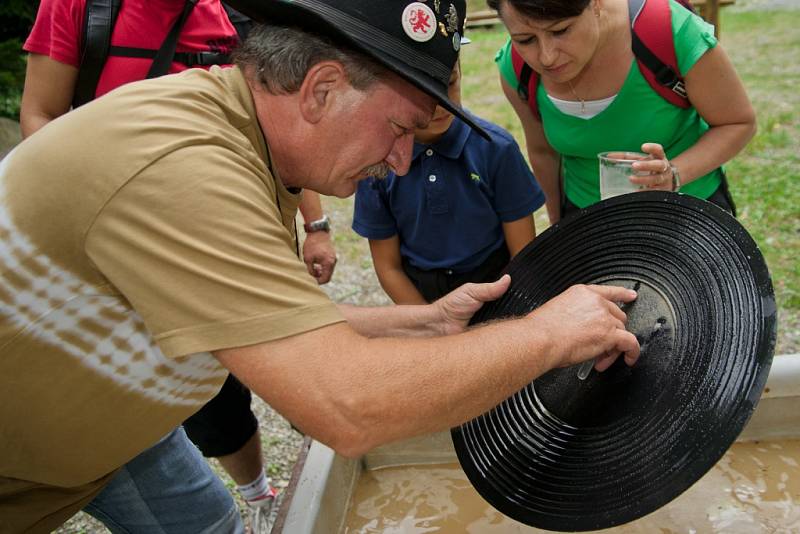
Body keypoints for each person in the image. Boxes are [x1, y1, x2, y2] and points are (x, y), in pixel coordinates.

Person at [0, 1, 641, 532]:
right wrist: (548, 333)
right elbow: (349, 409)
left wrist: (421, 323)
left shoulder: (241, 138)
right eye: (398, 128)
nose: (399, 161)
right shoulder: (182, 167)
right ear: (322, 89)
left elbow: (255, 316)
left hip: (111, 430)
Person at [18, 0, 334, 527]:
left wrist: (316, 227)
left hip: (216, 241)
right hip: (112, 251)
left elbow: (277, 134)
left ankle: (258, 494)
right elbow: (40, 114)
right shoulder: (77, 7)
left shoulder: (234, 16)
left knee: (220, 393)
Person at [489, 0, 756, 223]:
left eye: (561, 31)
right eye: (525, 40)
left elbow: (737, 123)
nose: (546, 57)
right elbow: (543, 153)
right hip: (588, 217)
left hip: (688, 210)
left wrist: (674, 173)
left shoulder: (670, 31)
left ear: (595, 4)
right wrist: (559, 228)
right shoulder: (516, 69)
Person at [353, 58, 545, 304]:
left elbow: (523, 256)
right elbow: (389, 268)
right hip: (421, 296)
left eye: (450, 83)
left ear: (461, 72)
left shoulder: (497, 149)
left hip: (495, 288)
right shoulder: (378, 165)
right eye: (423, 89)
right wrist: (429, 323)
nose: (441, 103)